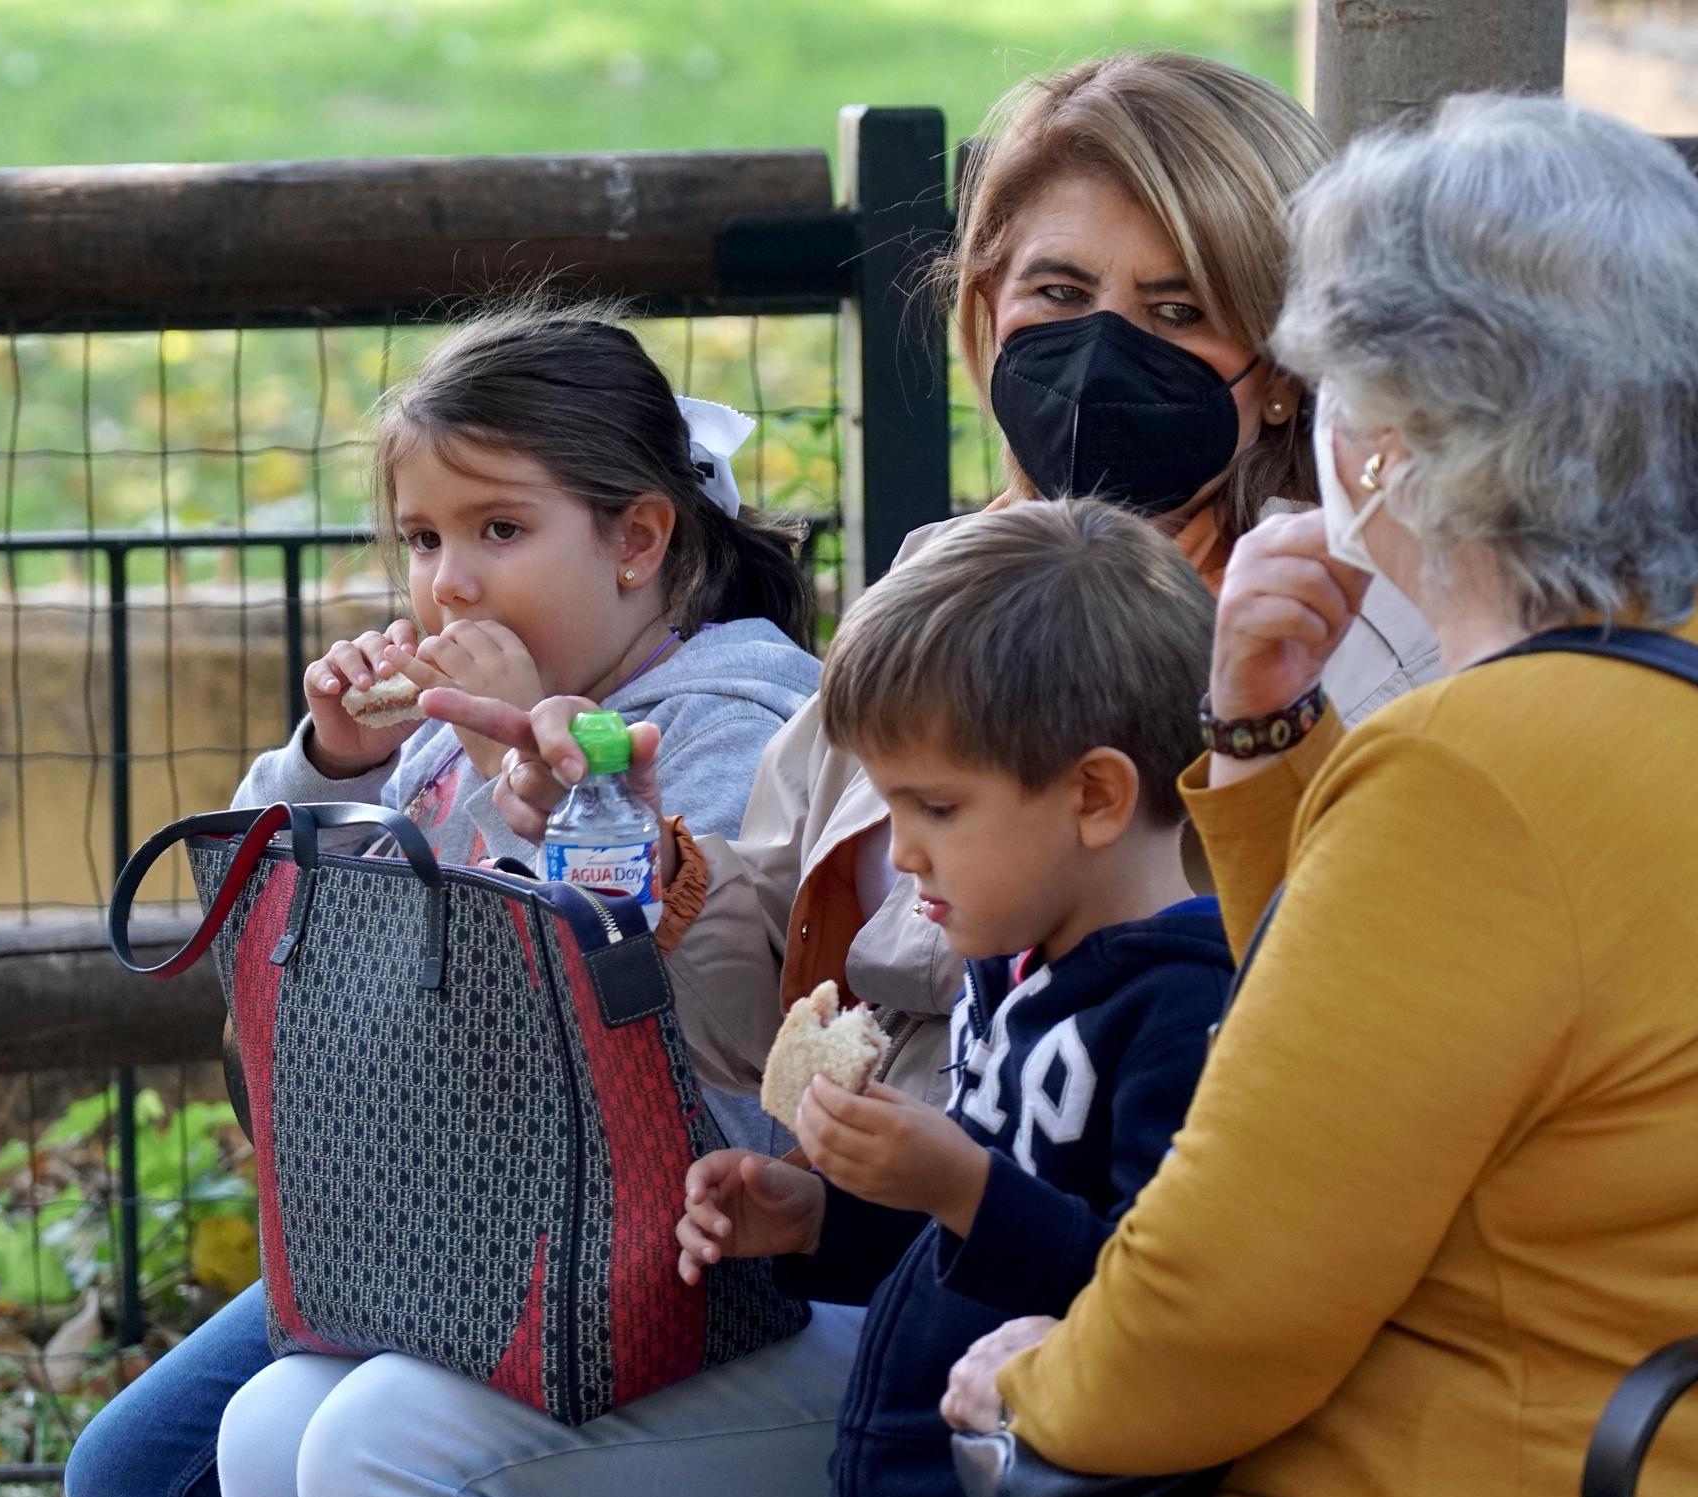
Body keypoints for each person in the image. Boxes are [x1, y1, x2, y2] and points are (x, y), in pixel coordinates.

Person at [941, 95, 1698, 1497]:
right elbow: (1364, 1027)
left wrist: (1032, 1394)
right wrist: (1262, 732)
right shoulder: (1667, 689)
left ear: (1383, 434)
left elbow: (1228, 1299)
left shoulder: (1476, 767)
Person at [431, 49, 1439, 1110]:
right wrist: (651, 861)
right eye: (1059, 290)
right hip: (864, 1239)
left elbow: (1332, 1029)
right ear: (984, 310)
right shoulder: (934, 588)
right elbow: (769, 1016)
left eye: (1176, 312)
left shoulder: (1340, 641)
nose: (1101, 351)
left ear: (1281, 370)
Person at [65, 306, 822, 1497]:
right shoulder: (424, 737)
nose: (446, 581)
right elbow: (281, 929)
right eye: (421, 539)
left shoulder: (734, 721)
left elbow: (641, 1015)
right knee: (129, 1473)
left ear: (636, 540)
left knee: (307, 1449)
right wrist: (337, 760)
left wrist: (526, 772)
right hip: (422, 1210)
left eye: (499, 529)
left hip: (633, 1239)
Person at [676, 501, 1235, 1497]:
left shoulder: (1187, 1009)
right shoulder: (1010, 966)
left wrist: (958, 1184)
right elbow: (965, 1248)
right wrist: (818, 1217)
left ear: (1096, 796)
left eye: (934, 807)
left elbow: (1158, 1304)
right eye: (888, 805)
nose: (903, 850)